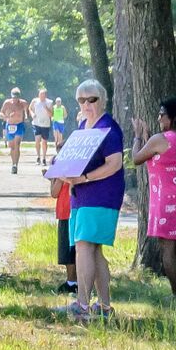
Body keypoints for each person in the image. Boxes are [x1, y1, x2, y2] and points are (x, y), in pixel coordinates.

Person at [60, 78, 123, 320]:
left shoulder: (108, 128)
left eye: (92, 99)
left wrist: (84, 178)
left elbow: (115, 163)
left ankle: (83, 305)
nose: (86, 104)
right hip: (80, 194)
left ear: (102, 100)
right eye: (81, 100)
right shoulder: (84, 126)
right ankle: (104, 307)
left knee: (84, 245)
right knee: (93, 249)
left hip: (101, 195)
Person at [131, 96, 176, 298]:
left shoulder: (160, 139)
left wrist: (138, 137)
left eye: (162, 114)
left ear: (173, 118)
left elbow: (136, 158)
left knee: (167, 247)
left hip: (167, 198)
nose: (159, 118)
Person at [0, 88, 29, 173]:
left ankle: (16, 165)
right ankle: (13, 163)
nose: (15, 100)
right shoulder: (7, 103)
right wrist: (6, 117)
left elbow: (26, 112)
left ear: (19, 97)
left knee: (17, 144)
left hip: (19, 125)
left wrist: (26, 117)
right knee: (12, 146)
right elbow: (0, 114)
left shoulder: (23, 103)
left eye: (17, 98)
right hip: (10, 125)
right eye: (14, 98)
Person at [30, 87, 54, 165]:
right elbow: (30, 108)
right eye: (40, 95)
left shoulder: (49, 102)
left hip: (45, 124)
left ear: (45, 95)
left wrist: (46, 108)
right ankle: (38, 157)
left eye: (43, 95)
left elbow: (51, 114)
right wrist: (32, 114)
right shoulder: (35, 101)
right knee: (37, 140)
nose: (41, 96)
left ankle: (44, 158)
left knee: (44, 142)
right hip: (36, 123)